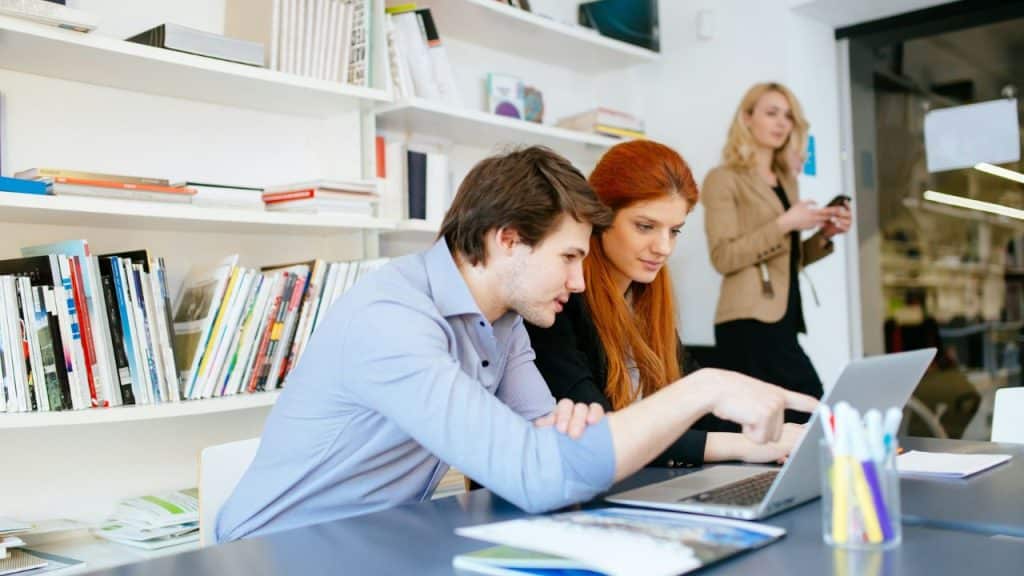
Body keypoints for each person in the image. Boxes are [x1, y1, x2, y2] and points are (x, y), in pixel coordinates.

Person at [216, 146, 817, 542]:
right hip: (271, 553)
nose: (581, 282)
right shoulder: (391, 320)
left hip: (371, 542)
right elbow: (537, 474)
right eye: (569, 258)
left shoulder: (505, 324)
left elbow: (551, 444)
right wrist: (704, 388)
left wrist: (564, 443)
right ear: (508, 241)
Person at [527, 140, 804, 468]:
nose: (663, 247)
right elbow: (604, 433)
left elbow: (698, 409)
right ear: (599, 218)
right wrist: (742, 445)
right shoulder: (557, 302)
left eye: (674, 231)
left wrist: (774, 434)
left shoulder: (643, 301)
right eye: (645, 226)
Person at [702, 82, 851, 424]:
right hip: (747, 321)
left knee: (783, 420)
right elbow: (723, 257)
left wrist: (825, 233)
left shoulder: (786, 181)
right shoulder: (723, 179)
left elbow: (785, 260)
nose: (781, 123)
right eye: (771, 113)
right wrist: (785, 223)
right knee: (809, 409)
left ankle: (785, 478)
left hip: (783, 317)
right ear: (747, 117)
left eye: (788, 116)